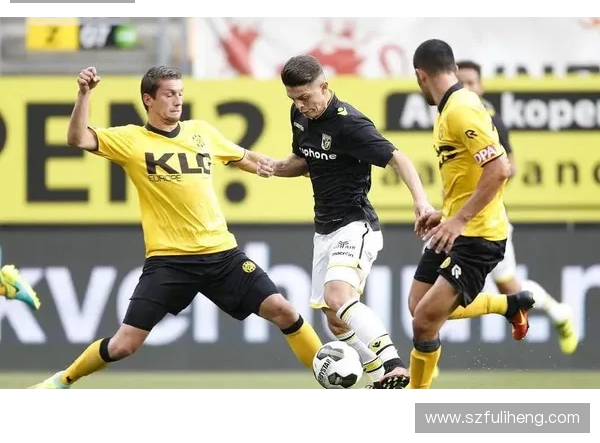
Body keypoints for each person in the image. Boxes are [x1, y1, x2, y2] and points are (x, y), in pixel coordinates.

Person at [30, 65, 323, 389]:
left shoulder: (201, 132)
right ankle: (61, 381)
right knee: (124, 345)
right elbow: (77, 138)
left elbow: (252, 160)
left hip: (222, 255)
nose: (177, 100)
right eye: (169, 94)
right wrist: (84, 94)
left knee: (282, 309)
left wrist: (306, 166)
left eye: (180, 93)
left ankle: (328, 371)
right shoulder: (131, 140)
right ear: (148, 99)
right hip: (170, 261)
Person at [256, 54, 436, 389]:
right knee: (334, 320)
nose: (300, 105)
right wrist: (277, 167)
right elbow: (305, 160)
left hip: (355, 223)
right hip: (324, 229)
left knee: (338, 295)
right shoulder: (299, 115)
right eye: (293, 99)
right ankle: (379, 376)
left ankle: (394, 363)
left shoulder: (350, 124)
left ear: (324, 86)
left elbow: (399, 158)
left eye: (305, 97)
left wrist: (421, 201)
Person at [408, 39, 536, 390]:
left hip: (479, 236)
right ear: (451, 68)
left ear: (420, 76)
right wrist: (446, 214)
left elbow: (499, 168)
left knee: (424, 323)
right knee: (418, 307)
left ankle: (414, 398)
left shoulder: (461, 108)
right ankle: (509, 305)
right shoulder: (448, 108)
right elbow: (470, 174)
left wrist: (460, 219)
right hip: (456, 227)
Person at [454, 60, 579, 354]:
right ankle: (426, 361)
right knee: (435, 287)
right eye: (461, 82)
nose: (467, 88)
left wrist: (480, 201)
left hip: (484, 220)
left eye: (472, 82)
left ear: (481, 86)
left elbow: (507, 167)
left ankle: (559, 312)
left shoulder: (489, 121)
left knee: (509, 290)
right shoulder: (454, 114)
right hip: (458, 217)